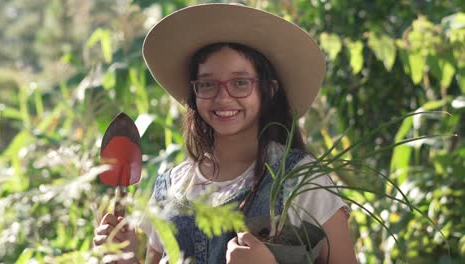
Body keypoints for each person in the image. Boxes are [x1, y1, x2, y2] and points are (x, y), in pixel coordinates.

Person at [94, 3, 357, 264]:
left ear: (269, 89)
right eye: (208, 84)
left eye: (240, 83)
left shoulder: (298, 180)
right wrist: (125, 259)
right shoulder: (171, 187)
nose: (223, 97)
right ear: (194, 93)